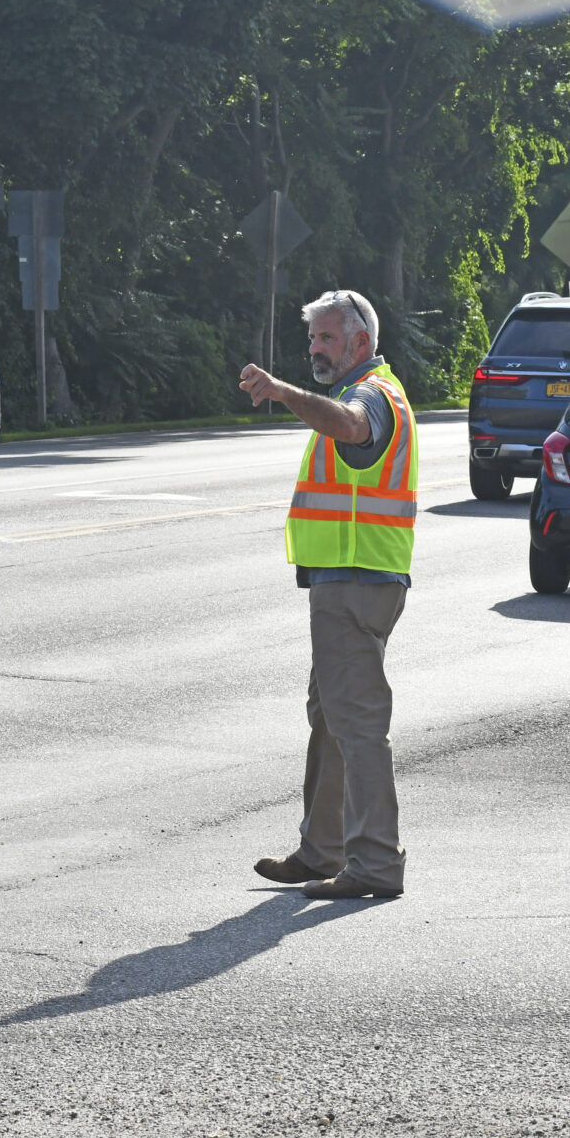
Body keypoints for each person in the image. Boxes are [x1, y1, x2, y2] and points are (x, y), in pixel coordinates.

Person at [236, 290, 416, 901]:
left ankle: (374, 865)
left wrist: (284, 392)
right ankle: (322, 851)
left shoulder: (371, 395)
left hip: (358, 580)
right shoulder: (358, 390)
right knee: (330, 716)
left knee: (357, 724)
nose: (315, 349)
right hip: (348, 581)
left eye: (327, 339)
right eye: (312, 339)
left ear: (360, 342)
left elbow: (352, 428)